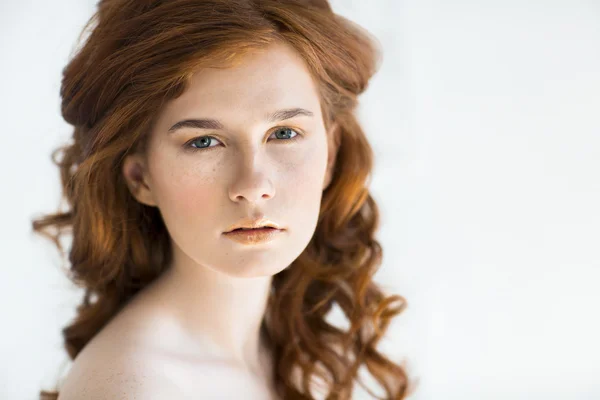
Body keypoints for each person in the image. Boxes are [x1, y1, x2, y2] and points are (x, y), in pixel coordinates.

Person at [33, 0, 415, 398]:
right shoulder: (134, 387)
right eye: (204, 142)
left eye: (283, 133)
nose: (252, 184)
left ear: (331, 154)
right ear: (140, 177)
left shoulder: (310, 356)